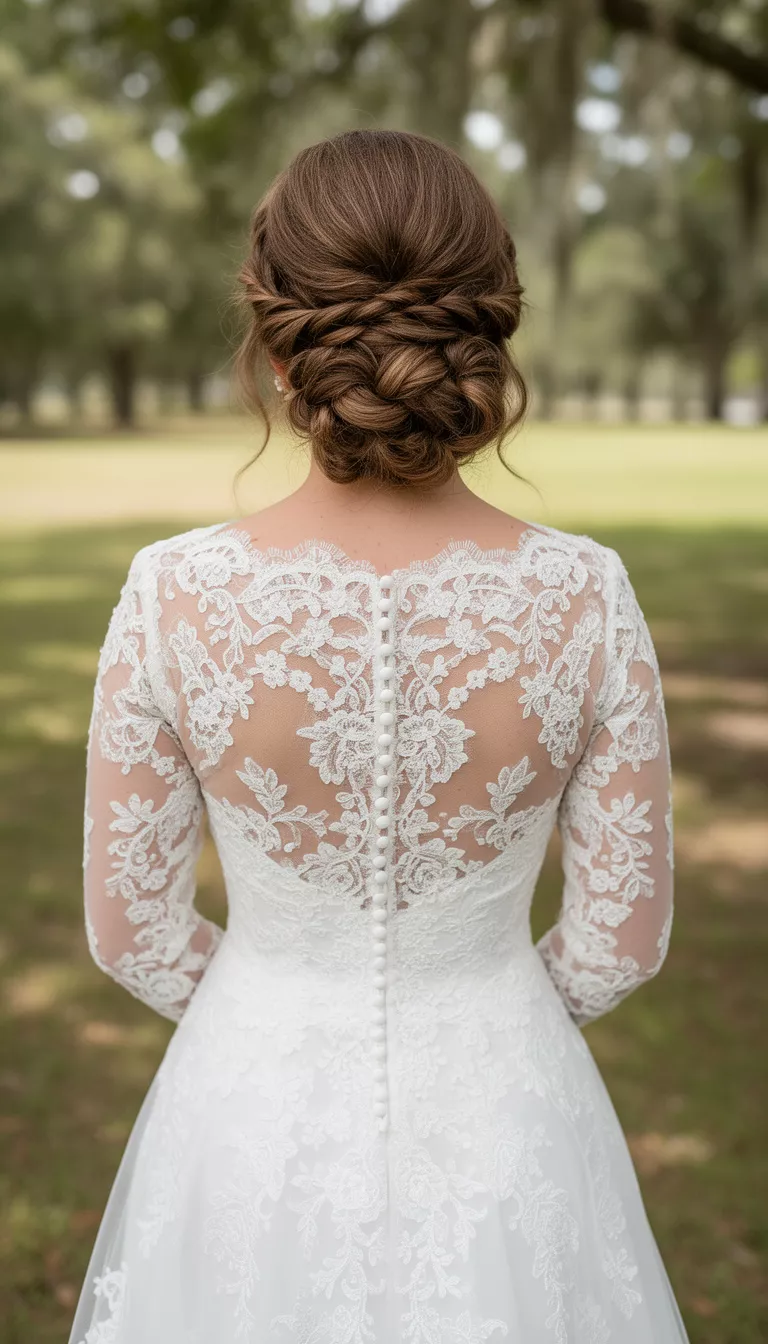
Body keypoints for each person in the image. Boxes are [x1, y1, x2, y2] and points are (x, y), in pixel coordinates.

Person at [69, 129, 690, 1342]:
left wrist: (275, 1010)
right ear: (491, 314)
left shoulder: (174, 594)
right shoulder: (583, 595)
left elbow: (129, 932)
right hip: (511, 1113)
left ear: (272, 327)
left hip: (245, 1111)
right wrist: (485, 1020)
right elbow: (619, 945)